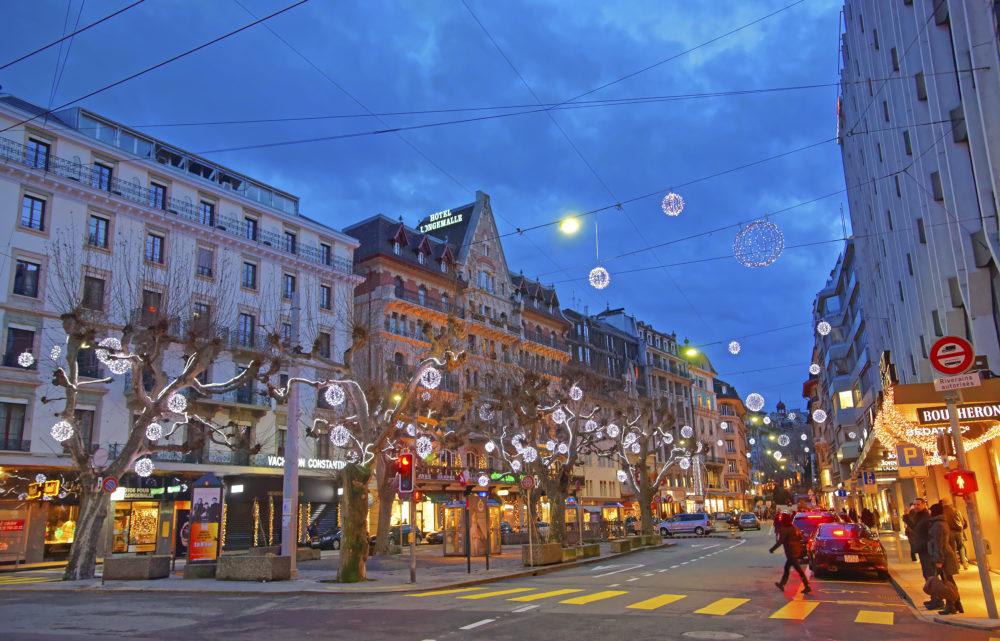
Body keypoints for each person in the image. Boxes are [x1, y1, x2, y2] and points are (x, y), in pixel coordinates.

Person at [927, 502, 962, 615]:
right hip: (944, 555)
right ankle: (956, 604)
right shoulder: (940, 523)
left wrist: (939, 560)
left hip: (944, 557)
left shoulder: (938, 525)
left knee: (947, 583)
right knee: (948, 581)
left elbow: (939, 544)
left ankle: (951, 605)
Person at [769, 513, 811, 594]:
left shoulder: (785, 529)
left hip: (790, 551)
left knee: (798, 569)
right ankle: (782, 584)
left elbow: (780, 541)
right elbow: (800, 536)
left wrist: (772, 549)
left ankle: (807, 586)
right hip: (796, 550)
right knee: (787, 568)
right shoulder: (793, 527)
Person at [940, 498, 969, 571]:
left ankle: (956, 565)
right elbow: (962, 521)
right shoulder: (956, 510)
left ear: (943, 503)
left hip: (950, 531)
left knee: (952, 549)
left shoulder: (942, 511)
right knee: (961, 547)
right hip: (959, 531)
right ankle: (964, 563)